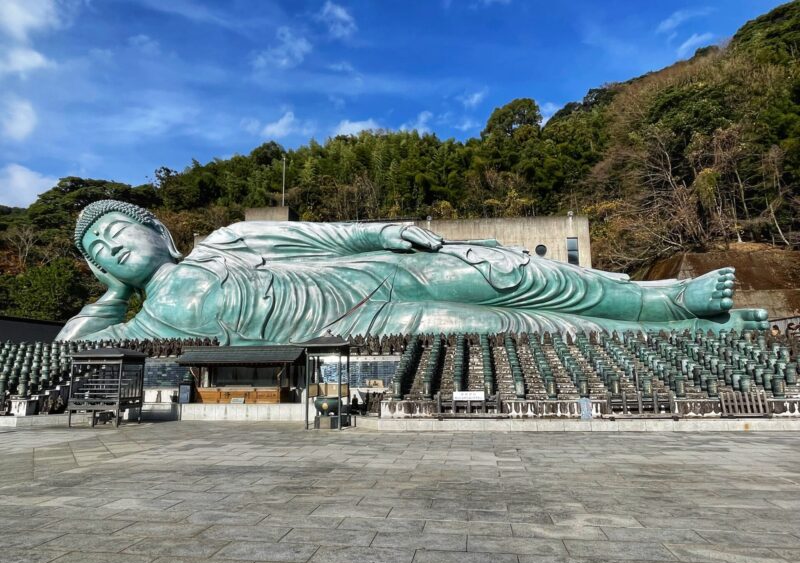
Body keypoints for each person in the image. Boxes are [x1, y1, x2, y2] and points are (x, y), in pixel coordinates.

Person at [56, 200, 769, 344]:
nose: (112, 246)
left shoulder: (229, 240)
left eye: (120, 229)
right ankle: (696, 325)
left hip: (371, 274)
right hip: (365, 324)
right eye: (100, 250)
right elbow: (72, 349)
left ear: (160, 230)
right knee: (512, 328)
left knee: (506, 271)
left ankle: (662, 295)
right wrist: (115, 295)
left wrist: (384, 231)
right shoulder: (139, 319)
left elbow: (321, 234)